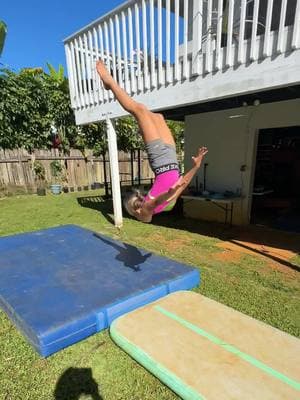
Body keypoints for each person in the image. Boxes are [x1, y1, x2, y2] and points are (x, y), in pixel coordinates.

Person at [96, 60, 208, 223]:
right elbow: (183, 184)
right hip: (170, 155)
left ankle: (109, 82)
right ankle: (142, 129)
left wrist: (169, 192)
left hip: (160, 161)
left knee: (139, 110)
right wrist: (196, 166)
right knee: (158, 117)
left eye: (141, 212)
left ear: (140, 210)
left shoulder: (151, 205)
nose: (145, 212)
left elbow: (160, 199)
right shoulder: (163, 204)